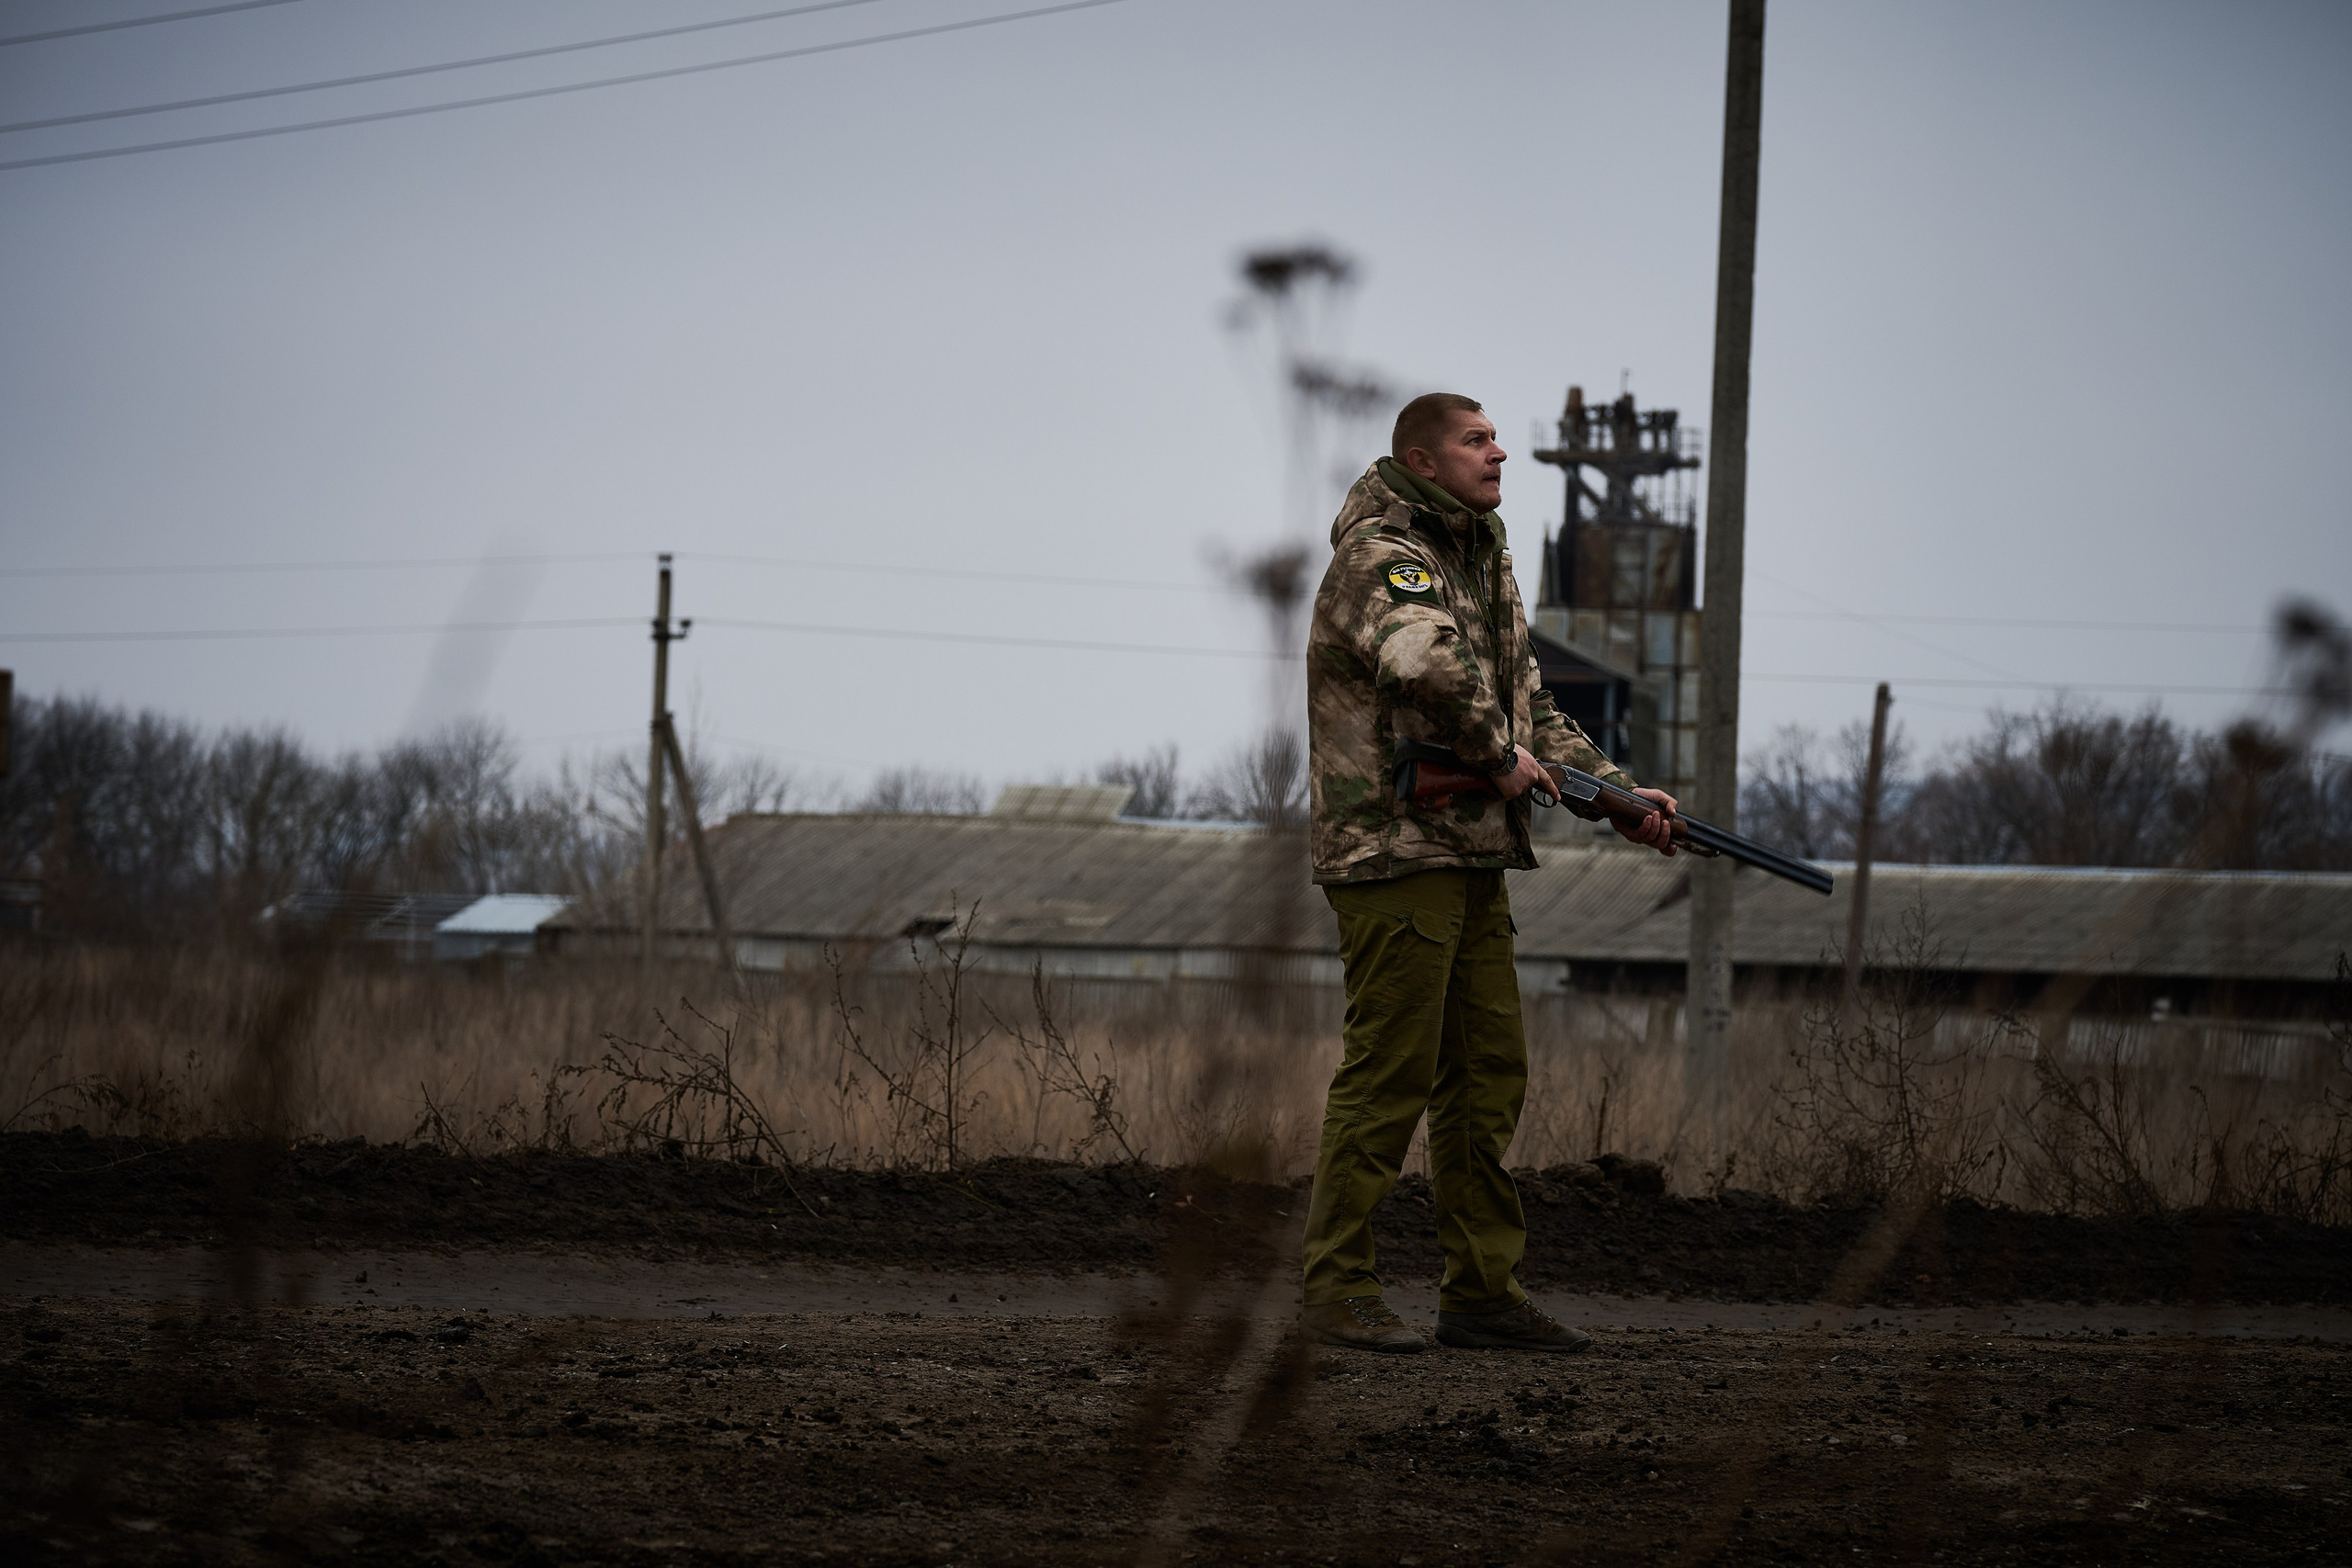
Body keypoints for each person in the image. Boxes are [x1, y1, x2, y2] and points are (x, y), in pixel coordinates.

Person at [1297, 391, 1680, 1355]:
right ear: (1423, 461)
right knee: (1391, 1072)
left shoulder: (1480, 555)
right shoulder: (1388, 554)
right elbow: (1425, 665)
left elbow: (1532, 709)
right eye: (1476, 441)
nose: (1499, 453)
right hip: (1395, 850)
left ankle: (1480, 1293)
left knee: (1485, 1076)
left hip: (1468, 852)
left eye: (1496, 438)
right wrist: (1497, 751)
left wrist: (1621, 796)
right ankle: (1336, 1287)